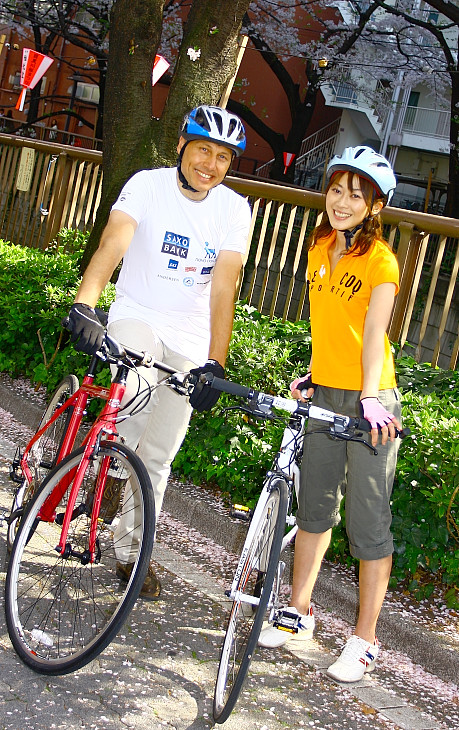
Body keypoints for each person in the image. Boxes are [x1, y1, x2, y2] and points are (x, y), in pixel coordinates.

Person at [65, 105, 251, 599]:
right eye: (202, 150)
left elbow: (224, 287)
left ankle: (130, 552)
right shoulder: (147, 184)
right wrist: (86, 303)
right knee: (133, 407)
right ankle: (98, 475)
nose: (210, 164)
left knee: (160, 455)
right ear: (181, 147)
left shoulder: (234, 209)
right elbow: (114, 242)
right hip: (138, 313)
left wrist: (216, 360)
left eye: (222, 157)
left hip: (189, 336)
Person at [258, 146, 402, 683]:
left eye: (355, 195)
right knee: (314, 506)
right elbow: (327, 322)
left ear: (374, 205)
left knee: (368, 524)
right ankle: (299, 612)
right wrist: (315, 374)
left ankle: (365, 639)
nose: (342, 202)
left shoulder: (381, 260)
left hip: (372, 404)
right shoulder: (319, 243)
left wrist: (366, 397)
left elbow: (373, 336)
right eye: (336, 189)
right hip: (325, 394)